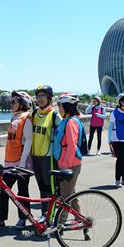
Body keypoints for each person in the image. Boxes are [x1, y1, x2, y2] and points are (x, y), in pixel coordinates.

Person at [0, 91, 34, 229]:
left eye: (14, 101)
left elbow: (29, 141)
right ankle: (1, 219)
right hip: (10, 160)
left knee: (22, 191)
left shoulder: (26, 119)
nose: (11, 104)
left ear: (22, 103)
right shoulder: (14, 118)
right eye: (11, 101)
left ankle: (23, 218)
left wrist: (22, 163)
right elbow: (9, 137)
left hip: (21, 162)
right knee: (4, 190)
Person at [30, 84, 62, 221]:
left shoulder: (54, 115)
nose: (40, 99)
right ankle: (44, 214)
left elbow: (62, 135)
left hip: (48, 157)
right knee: (41, 186)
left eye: (43, 96)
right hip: (36, 155)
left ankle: (51, 216)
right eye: (38, 96)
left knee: (50, 187)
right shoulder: (34, 114)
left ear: (49, 98)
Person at [52, 93, 84, 222]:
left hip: (69, 164)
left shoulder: (71, 122)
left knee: (65, 197)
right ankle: (81, 220)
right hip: (66, 162)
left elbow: (72, 145)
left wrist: (65, 164)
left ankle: (59, 225)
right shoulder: (67, 120)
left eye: (59, 105)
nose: (58, 107)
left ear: (66, 106)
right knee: (71, 194)